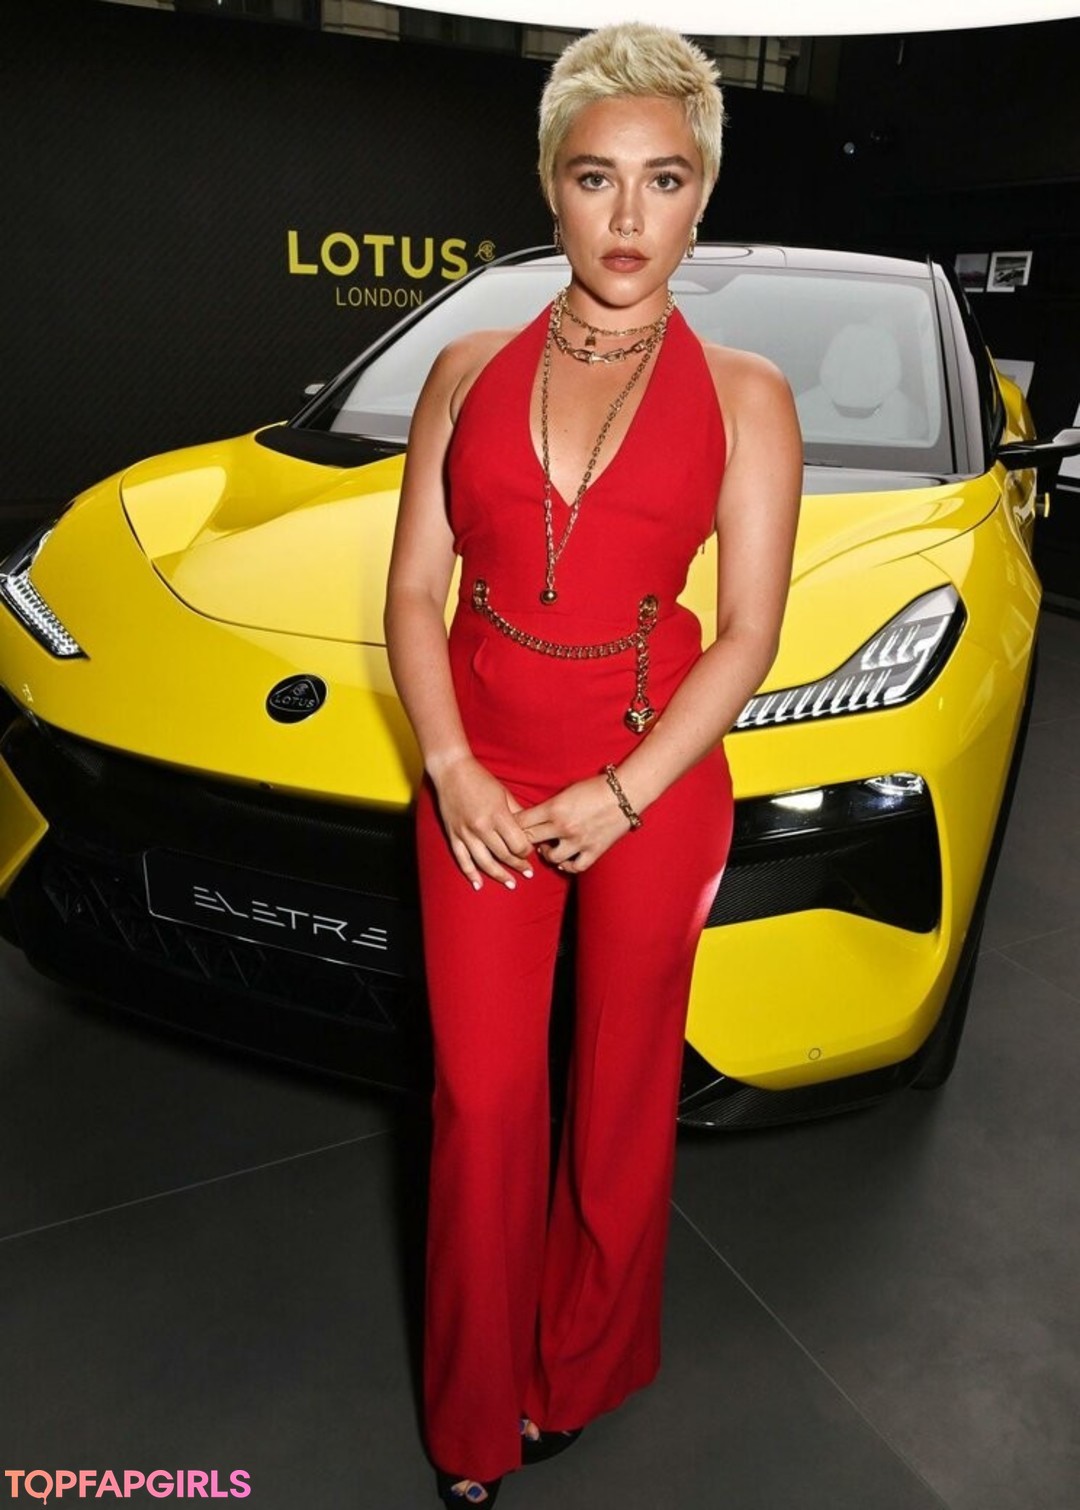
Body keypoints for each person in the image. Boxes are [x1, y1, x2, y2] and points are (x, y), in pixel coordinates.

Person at [384, 22, 802, 1505]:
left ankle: (575, 1367)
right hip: (480, 783)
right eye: (595, 177)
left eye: (664, 179)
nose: (629, 217)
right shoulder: (463, 370)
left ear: (702, 195)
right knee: (485, 1101)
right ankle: (471, 1416)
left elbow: (747, 635)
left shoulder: (747, 393)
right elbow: (412, 595)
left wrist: (624, 794)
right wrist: (450, 764)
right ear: (551, 187)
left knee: (620, 1092)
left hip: (654, 783)